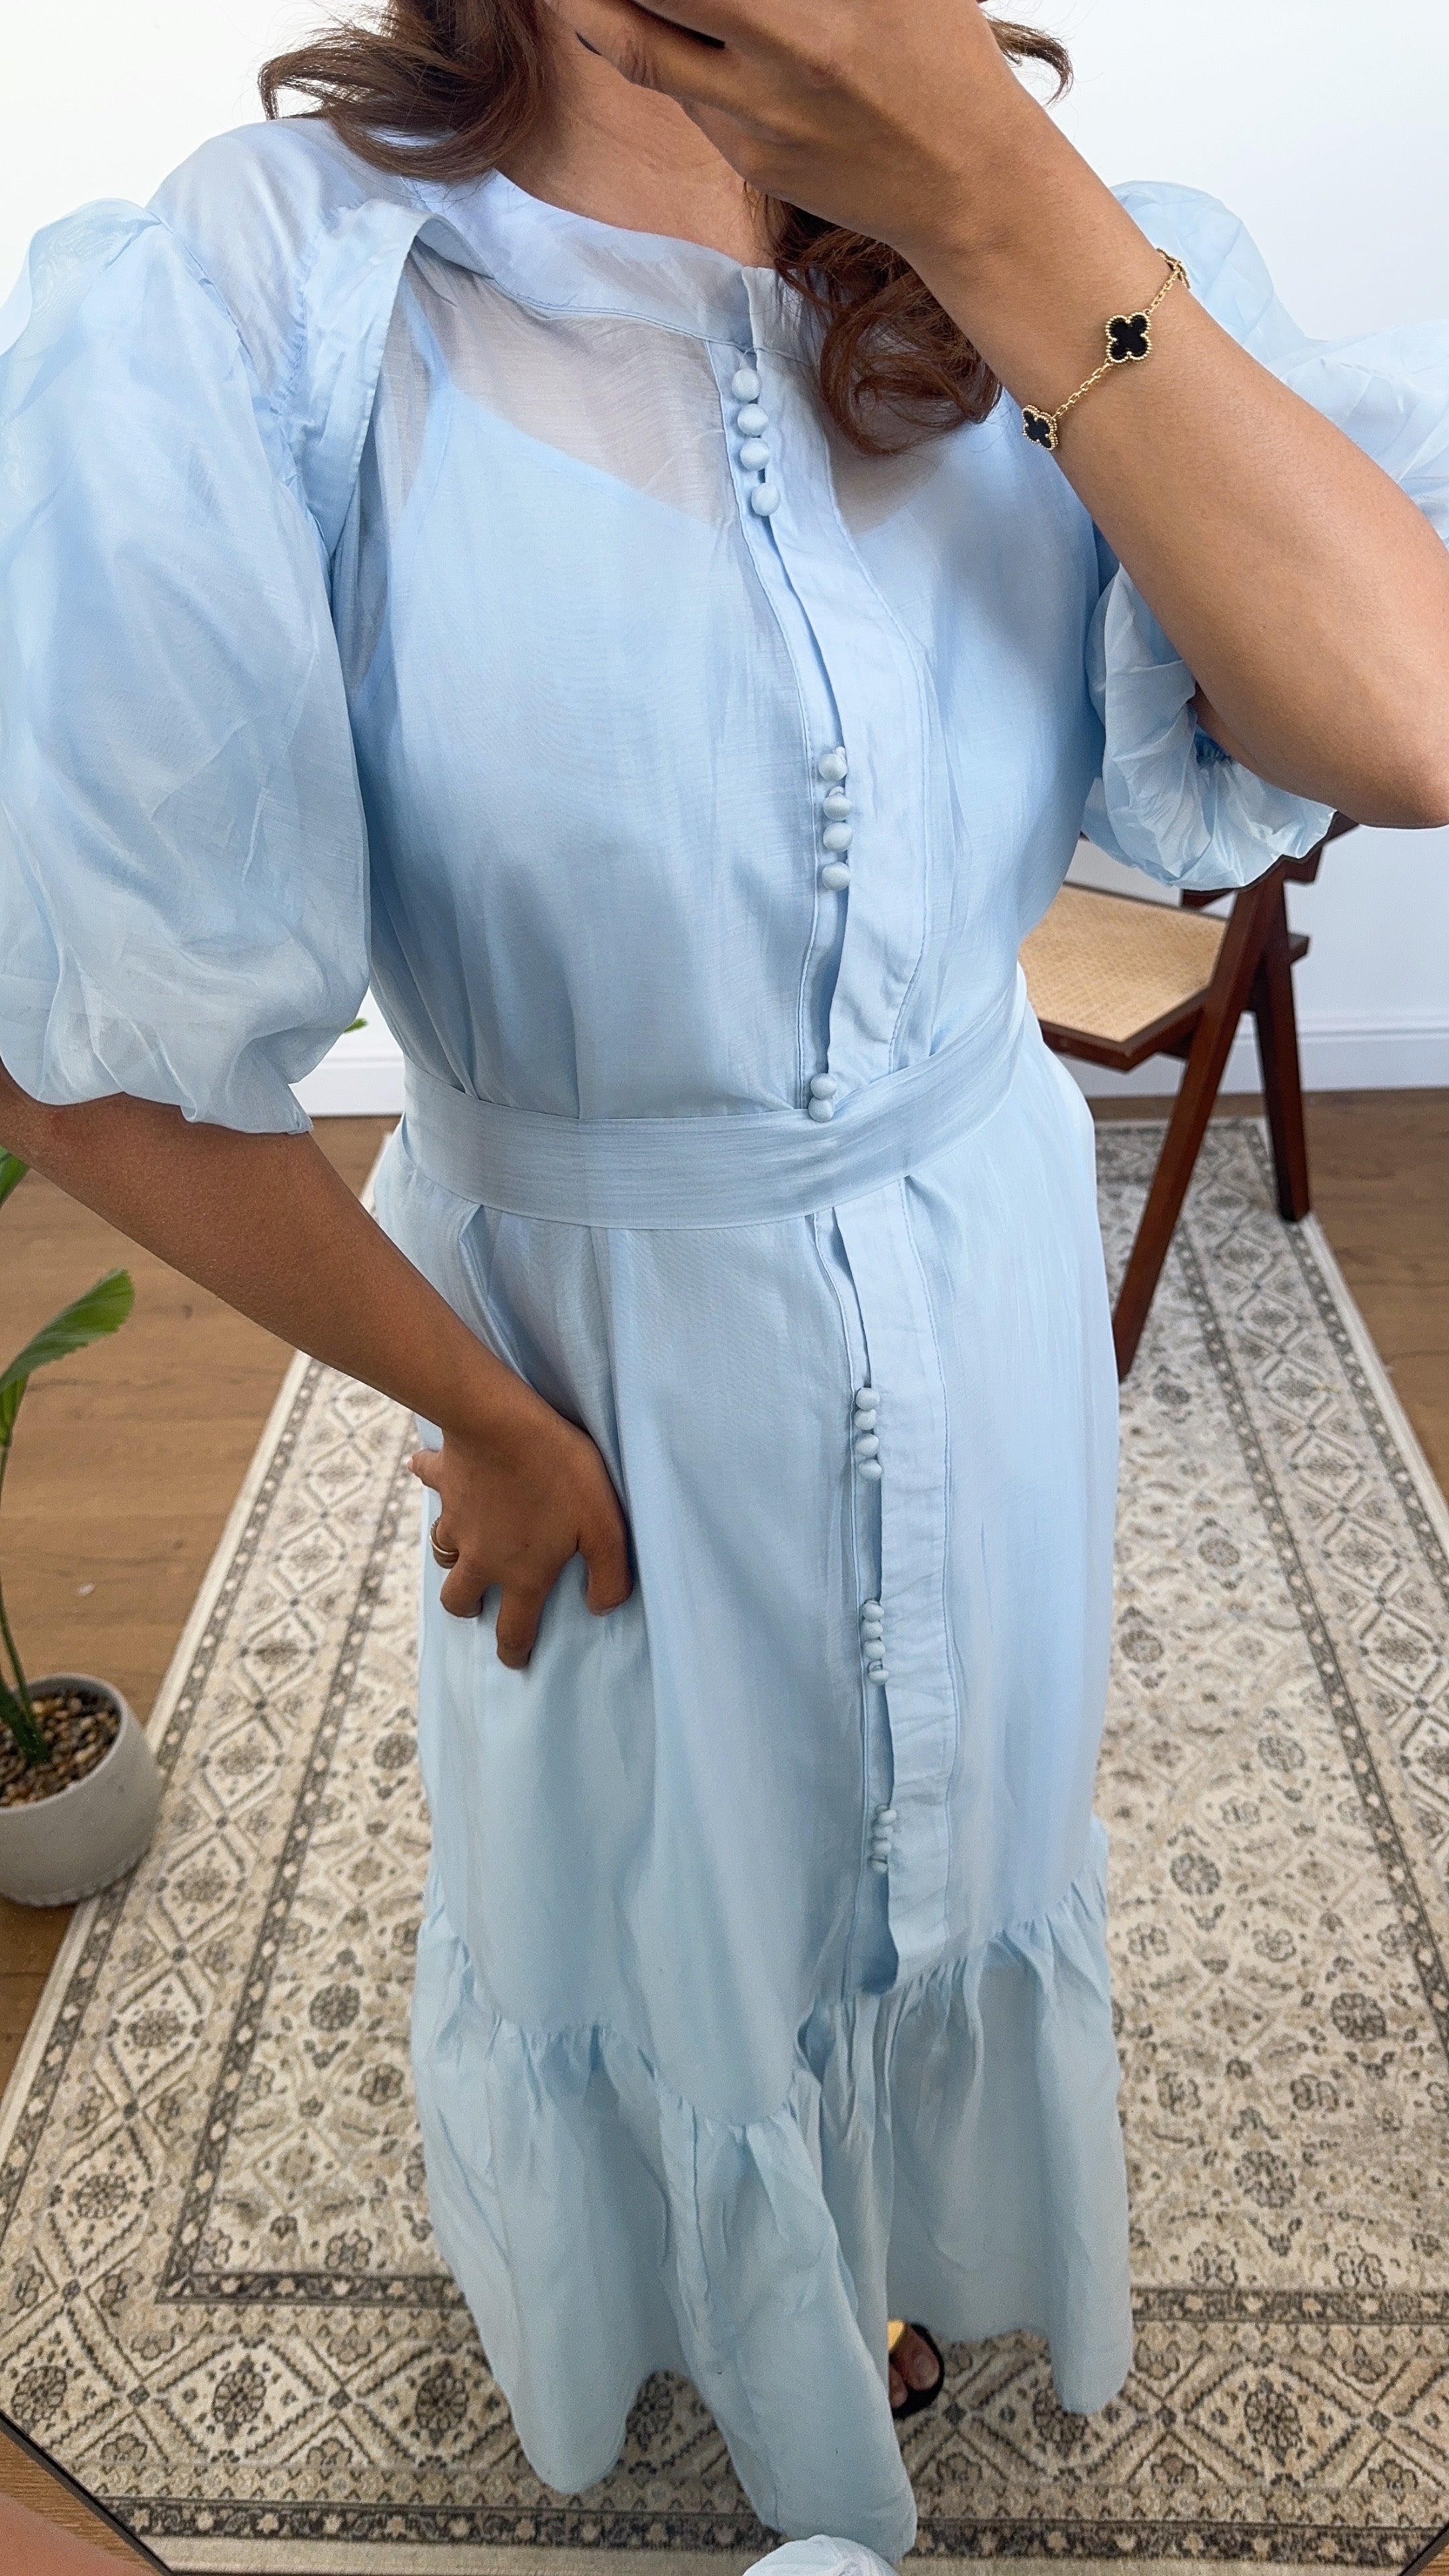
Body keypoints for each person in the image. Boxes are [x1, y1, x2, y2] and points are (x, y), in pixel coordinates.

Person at [3, 0, 1448, 2556]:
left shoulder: (1084, 255)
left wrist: (987, 192)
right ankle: (714, 2290)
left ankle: (895, 2239)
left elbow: (1406, 716)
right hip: (585, 1337)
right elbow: (83, 1057)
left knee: (966, 1811)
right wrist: (488, 1413)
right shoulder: (262, 305)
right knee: (659, 1876)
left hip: (981, 1253)